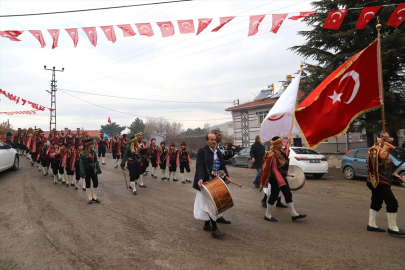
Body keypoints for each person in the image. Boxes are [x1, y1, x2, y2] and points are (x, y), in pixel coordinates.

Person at [193, 133, 233, 238]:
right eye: (211, 139)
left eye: (215, 139)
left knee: (210, 203)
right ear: (207, 141)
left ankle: (207, 225)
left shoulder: (218, 152)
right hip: (205, 182)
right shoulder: (202, 151)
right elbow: (200, 166)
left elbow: (222, 166)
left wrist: (226, 176)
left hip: (215, 181)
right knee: (211, 204)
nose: (214, 141)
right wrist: (200, 178)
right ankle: (215, 229)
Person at [365, 133, 405, 235]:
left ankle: (371, 224)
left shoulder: (379, 148)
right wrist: (386, 143)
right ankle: (392, 228)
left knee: (376, 201)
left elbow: (388, 168)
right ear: (379, 139)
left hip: (379, 180)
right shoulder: (375, 150)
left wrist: (398, 177)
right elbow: (383, 156)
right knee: (392, 202)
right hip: (379, 181)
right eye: (383, 138)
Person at [260, 136, 306, 222]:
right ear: (276, 144)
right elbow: (274, 169)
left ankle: (294, 214)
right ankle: (267, 215)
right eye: (281, 143)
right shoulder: (271, 153)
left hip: (282, 177)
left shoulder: (278, 152)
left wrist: (288, 143)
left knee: (288, 194)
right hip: (275, 179)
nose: (282, 144)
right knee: (274, 196)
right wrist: (280, 180)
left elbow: (285, 154)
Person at [80, 139, 102, 204]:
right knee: (88, 183)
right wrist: (82, 172)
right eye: (92, 144)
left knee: (96, 182)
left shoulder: (94, 152)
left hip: (93, 169)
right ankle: (89, 198)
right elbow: (81, 164)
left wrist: (98, 169)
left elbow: (96, 161)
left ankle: (94, 197)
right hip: (87, 169)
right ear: (88, 145)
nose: (93, 145)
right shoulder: (83, 153)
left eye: (93, 144)